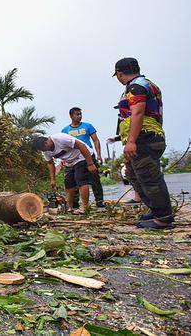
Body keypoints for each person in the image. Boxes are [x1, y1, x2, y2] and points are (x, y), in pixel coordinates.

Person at [113, 57, 173, 229]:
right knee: (133, 174)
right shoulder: (148, 84)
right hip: (148, 136)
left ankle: (163, 218)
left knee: (149, 177)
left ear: (119, 73)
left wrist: (131, 141)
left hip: (144, 138)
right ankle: (156, 210)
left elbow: (138, 112)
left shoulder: (136, 87)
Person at [32, 134, 97, 214]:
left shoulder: (61, 139)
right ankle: (68, 207)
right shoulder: (46, 151)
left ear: (46, 143)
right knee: (68, 184)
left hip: (83, 156)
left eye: (43, 149)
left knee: (81, 180)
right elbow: (50, 163)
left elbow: (81, 146)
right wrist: (52, 179)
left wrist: (90, 164)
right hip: (69, 162)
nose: (43, 151)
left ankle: (85, 207)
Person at [61, 107, 105, 207]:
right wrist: (63, 159)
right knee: (75, 180)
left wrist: (98, 154)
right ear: (71, 116)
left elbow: (95, 140)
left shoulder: (88, 126)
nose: (79, 116)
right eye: (77, 114)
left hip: (89, 155)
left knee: (94, 178)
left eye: (80, 114)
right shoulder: (65, 130)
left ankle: (99, 201)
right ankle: (75, 203)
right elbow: (64, 146)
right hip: (74, 158)